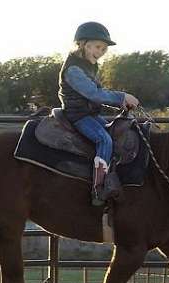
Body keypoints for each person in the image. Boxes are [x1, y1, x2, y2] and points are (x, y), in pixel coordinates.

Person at [58, 21, 140, 206]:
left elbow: (97, 94)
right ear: (82, 44)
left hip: (90, 114)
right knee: (104, 139)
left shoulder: (90, 65)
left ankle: (114, 174)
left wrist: (120, 105)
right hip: (77, 115)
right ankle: (99, 188)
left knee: (117, 132)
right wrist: (122, 97)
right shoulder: (74, 69)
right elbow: (93, 93)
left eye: (104, 48)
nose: (101, 51)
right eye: (97, 47)